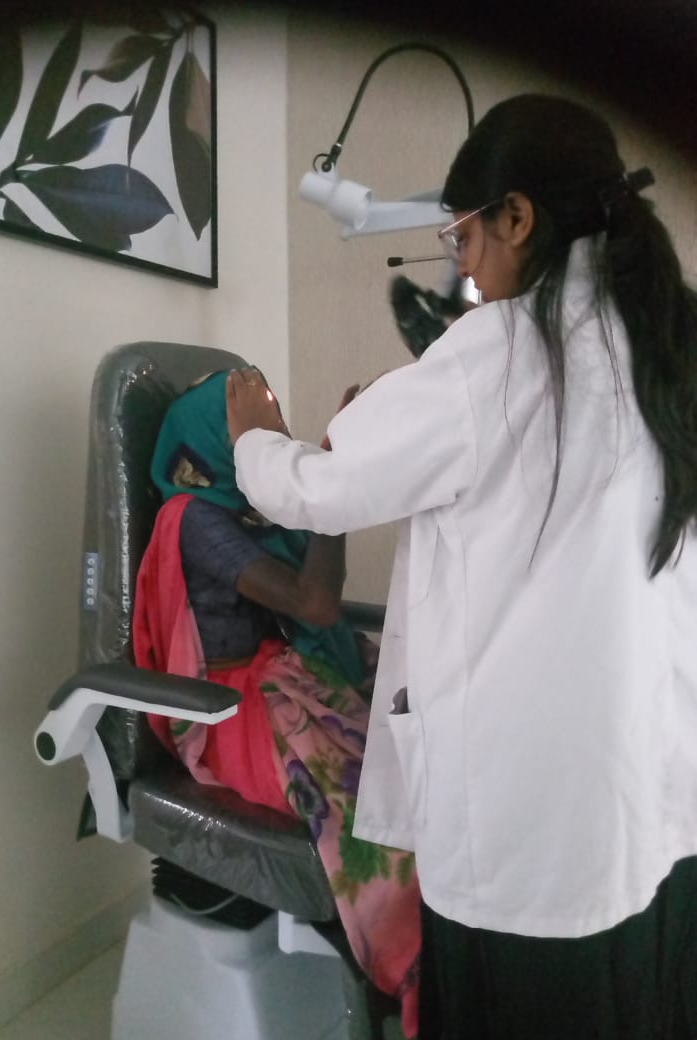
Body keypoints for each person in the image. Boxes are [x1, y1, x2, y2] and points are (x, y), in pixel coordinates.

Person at [225, 94, 697, 1039]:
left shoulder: (501, 348)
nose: (465, 267)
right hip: (655, 781)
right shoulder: (668, 348)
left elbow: (319, 488)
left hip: (529, 809)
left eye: (463, 235)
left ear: (517, 217)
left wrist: (253, 437)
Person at [131, 370, 421, 1038]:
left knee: (418, 761)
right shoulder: (194, 519)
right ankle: (410, 971)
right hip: (227, 712)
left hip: (279, 682)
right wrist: (331, 478)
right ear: (213, 442)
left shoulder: (246, 515)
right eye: (253, 429)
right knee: (379, 813)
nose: (275, 436)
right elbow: (315, 603)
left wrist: (332, 465)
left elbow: (316, 590)